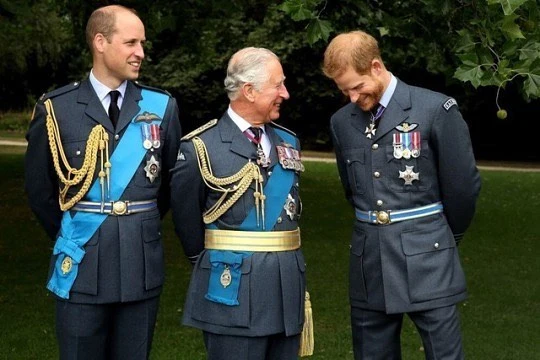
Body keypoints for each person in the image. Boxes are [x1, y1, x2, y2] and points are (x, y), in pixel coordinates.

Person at [24, 5, 181, 359]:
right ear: (100, 42)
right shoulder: (57, 108)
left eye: (142, 43)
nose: (140, 52)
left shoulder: (161, 106)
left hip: (141, 268)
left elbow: (168, 187)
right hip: (81, 266)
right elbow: (40, 192)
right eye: (131, 42)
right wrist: (76, 234)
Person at [322, 30, 481, 360]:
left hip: (428, 257)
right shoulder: (342, 122)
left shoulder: (434, 109)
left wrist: (445, 236)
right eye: (343, 90)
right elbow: (351, 189)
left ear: (376, 67)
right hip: (369, 262)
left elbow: (463, 188)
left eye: (357, 86)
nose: (352, 97)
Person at [170, 47, 312, 360]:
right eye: (278, 85)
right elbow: (186, 221)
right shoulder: (200, 148)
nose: (285, 94)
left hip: (286, 285)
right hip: (231, 288)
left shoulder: (289, 142)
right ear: (248, 90)